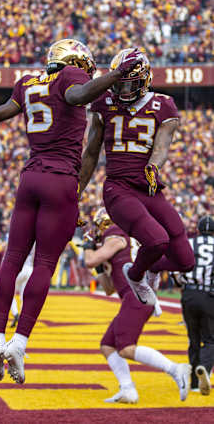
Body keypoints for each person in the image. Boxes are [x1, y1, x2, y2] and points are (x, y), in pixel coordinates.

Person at [0, 39, 143, 384]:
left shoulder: (27, 82)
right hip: (60, 180)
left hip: (30, 177)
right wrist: (117, 73)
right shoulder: (71, 76)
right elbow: (76, 96)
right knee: (44, 263)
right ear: (75, 62)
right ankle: (20, 342)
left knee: (12, 257)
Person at [79, 47, 195, 307]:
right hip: (118, 188)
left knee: (186, 260)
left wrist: (153, 167)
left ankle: (152, 269)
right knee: (157, 240)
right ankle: (134, 274)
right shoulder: (103, 104)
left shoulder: (163, 105)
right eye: (118, 84)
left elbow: (161, 148)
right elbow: (90, 154)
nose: (122, 90)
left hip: (149, 187)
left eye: (129, 84)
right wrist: (77, 191)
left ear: (144, 79)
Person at [82, 207, 191, 403]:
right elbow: (108, 289)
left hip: (137, 296)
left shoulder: (116, 235)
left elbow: (90, 260)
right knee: (108, 345)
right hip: (136, 296)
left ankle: (175, 369)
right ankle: (127, 390)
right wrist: (102, 268)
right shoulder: (124, 238)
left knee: (125, 348)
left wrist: (87, 244)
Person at [173, 215, 214, 395]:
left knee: (194, 340)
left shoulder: (188, 243)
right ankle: (204, 367)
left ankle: (196, 383)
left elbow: (175, 268)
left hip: (189, 293)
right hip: (208, 294)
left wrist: (183, 283)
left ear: (197, 229)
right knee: (211, 339)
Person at [10, 243, 35, 327]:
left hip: (20, 269)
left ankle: (16, 313)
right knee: (24, 296)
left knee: (9, 293)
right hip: (30, 269)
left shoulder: (21, 238)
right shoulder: (34, 242)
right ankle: (23, 318)